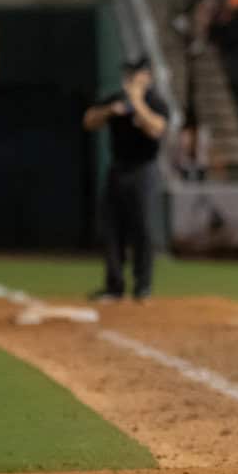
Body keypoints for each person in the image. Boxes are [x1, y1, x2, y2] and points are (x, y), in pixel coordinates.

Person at [83, 58, 169, 303]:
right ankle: (114, 286)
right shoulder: (115, 98)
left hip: (144, 170)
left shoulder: (155, 101)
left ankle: (143, 286)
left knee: (142, 228)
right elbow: (89, 120)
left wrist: (138, 101)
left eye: (136, 74)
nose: (130, 78)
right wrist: (111, 110)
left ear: (147, 76)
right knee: (111, 228)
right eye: (129, 74)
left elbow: (157, 129)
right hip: (118, 169)